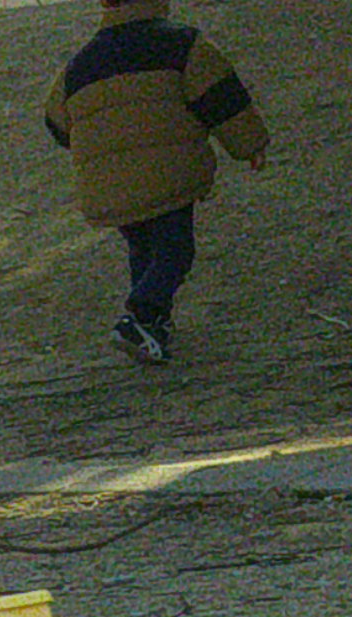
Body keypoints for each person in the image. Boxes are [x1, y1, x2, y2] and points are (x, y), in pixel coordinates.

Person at [39, 0, 268, 369]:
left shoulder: (79, 64)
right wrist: (250, 145)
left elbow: (57, 123)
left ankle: (153, 329)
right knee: (175, 251)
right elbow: (222, 99)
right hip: (168, 175)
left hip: (110, 185)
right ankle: (141, 316)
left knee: (143, 250)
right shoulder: (182, 44)